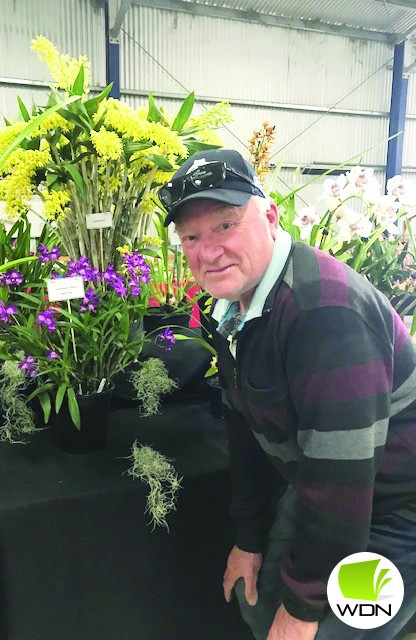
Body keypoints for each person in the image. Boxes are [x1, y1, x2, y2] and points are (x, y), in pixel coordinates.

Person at [159, 149, 416, 640]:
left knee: (316, 632)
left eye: (225, 226)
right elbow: (244, 425)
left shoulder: (325, 314)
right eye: (191, 236)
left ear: (270, 216)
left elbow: (344, 477)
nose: (207, 251)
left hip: (397, 504)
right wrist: (250, 538)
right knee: (257, 604)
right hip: (324, 486)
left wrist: (304, 609)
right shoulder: (237, 307)